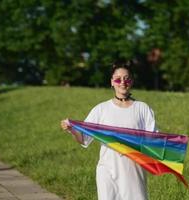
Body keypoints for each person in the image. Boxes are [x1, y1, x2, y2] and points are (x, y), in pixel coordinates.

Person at [60, 59, 157, 200]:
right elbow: (84, 139)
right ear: (112, 82)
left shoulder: (143, 109)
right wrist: (72, 129)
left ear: (132, 81)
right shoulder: (101, 109)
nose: (122, 82)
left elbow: (154, 142)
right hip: (107, 171)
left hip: (134, 172)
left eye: (126, 79)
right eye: (118, 79)